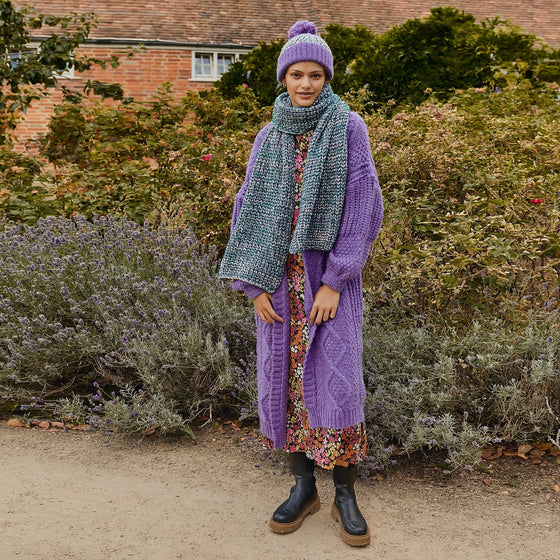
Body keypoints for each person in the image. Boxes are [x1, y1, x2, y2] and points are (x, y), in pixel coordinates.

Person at [219, 20, 383, 547]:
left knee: (336, 383)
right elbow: (248, 210)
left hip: (327, 281)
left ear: (327, 77)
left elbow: (364, 207)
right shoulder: (269, 136)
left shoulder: (347, 126)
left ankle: (345, 494)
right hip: (277, 283)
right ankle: (302, 487)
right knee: (286, 384)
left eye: (315, 74)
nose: (306, 83)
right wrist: (253, 284)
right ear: (283, 79)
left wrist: (336, 279)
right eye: (296, 74)